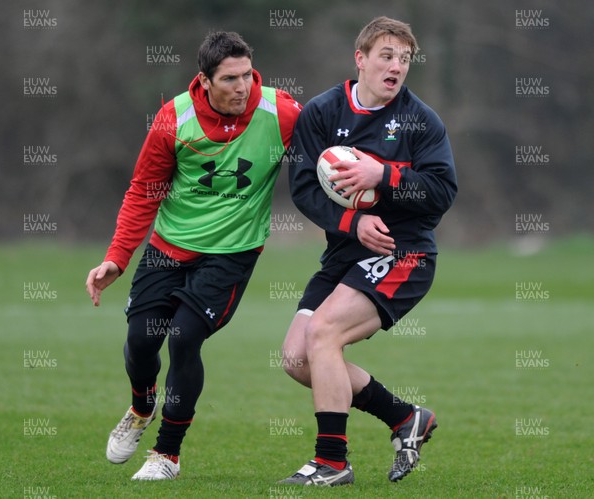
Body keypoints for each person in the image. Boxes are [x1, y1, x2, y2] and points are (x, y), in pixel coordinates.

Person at [85, 31, 300, 481]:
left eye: (247, 75)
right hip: (167, 247)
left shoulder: (279, 111)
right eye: (230, 79)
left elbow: (324, 156)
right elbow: (144, 191)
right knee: (142, 340)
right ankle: (141, 406)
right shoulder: (174, 117)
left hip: (231, 253)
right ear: (204, 80)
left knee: (183, 337)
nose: (242, 87)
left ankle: (167, 455)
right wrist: (117, 258)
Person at [279, 16, 457, 486]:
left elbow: (442, 190)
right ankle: (404, 417)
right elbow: (303, 189)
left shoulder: (422, 120)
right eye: (386, 56)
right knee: (298, 358)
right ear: (360, 59)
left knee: (323, 333)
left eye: (405, 59)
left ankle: (332, 463)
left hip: (405, 253)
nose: (396, 66)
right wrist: (352, 223)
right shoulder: (321, 112)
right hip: (346, 252)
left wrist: (385, 176)